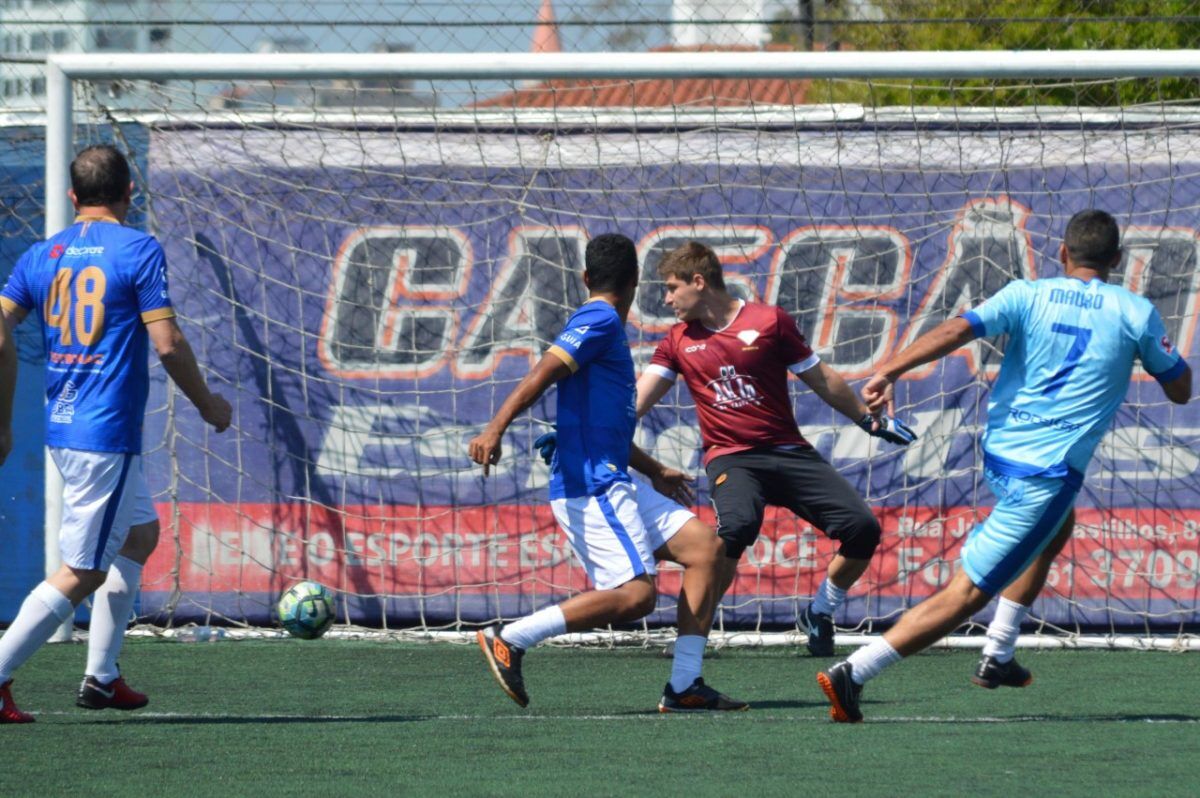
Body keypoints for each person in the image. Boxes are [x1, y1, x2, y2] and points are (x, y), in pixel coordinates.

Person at [818, 209, 1192, 722]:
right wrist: (1156, 355)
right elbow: (1179, 389)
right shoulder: (1135, 311)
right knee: (969, 591)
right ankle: (855, 671)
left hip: (1000, 452)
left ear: (1062, 253)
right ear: (1118, 260)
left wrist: (888, 369)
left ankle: (999, 651)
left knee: (1058, 527)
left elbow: (955, 330)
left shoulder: (1027, 293)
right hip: (1045, 474)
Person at [0, 145, 231, 724]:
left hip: (65, 424)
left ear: (74, 197)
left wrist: (3, 418)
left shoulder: (42, 253)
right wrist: (208, 405)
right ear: (131, 193)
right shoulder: (138, 248)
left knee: (139, 536)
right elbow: (169, 343)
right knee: (84, 570)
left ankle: (101, 677)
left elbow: (1, 323)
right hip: (103, 433)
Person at [468, 233, 746, 712]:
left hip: (614, 475)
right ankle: (510, 638)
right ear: (636, 281)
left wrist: (654, 467)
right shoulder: (597, 318)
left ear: (585, 277)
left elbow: (606, 424)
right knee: (635, 596)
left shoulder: (604, 326)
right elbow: (542, 373)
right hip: (591, 485)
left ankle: (684, 686)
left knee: (709, 550)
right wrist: (495, 427)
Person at [634, 241, 915, 656]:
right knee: (736, 528)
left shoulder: (769, 321)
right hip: (732, 457)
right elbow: (635, 402)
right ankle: (692, 639)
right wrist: (585, 428)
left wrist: (866, 419)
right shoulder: (676, 341)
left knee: (863, 529)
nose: (667, 298)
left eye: (673, 287)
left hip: (788, 450)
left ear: (699, 281)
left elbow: (822, 379)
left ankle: (820, 611)